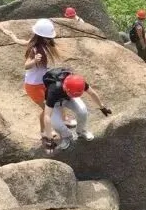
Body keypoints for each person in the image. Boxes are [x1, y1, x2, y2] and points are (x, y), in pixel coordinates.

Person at [42, 70, 111, 152]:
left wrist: (102, 107)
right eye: (72, 94)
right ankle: (66, 136)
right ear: (65, 88)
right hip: (55, 103)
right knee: (56, 123)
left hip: (69, 98)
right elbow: (47, 116)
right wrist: (50, 139)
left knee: (83, 112)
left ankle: (81, 131)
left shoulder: (79, 82)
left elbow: (92, 93)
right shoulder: (53, 90)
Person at [24, 19, 63, 147]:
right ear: (41, 36)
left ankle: (45, 130)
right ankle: (45, 132)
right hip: (33, 85)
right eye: (46, 37)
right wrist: (34, 61)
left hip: (42, 83)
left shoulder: (45, 46)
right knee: (47, 108)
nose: (48, 39)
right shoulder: (34, 49)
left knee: (50, 106)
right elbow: (26, 65)